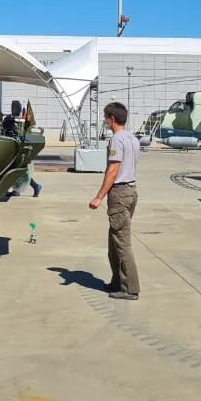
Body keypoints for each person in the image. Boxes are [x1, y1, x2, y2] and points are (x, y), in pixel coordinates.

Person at [88, 101, 140, 300]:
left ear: (112, 119)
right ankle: (118, 282)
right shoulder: (132, 139)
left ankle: (130, 288)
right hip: (130, 191)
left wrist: (99, 196)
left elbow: (113, 170)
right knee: (114, 240)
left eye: (105, 117)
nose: (104, 121)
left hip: (119, 192)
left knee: (122, 242)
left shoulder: (117, 140)